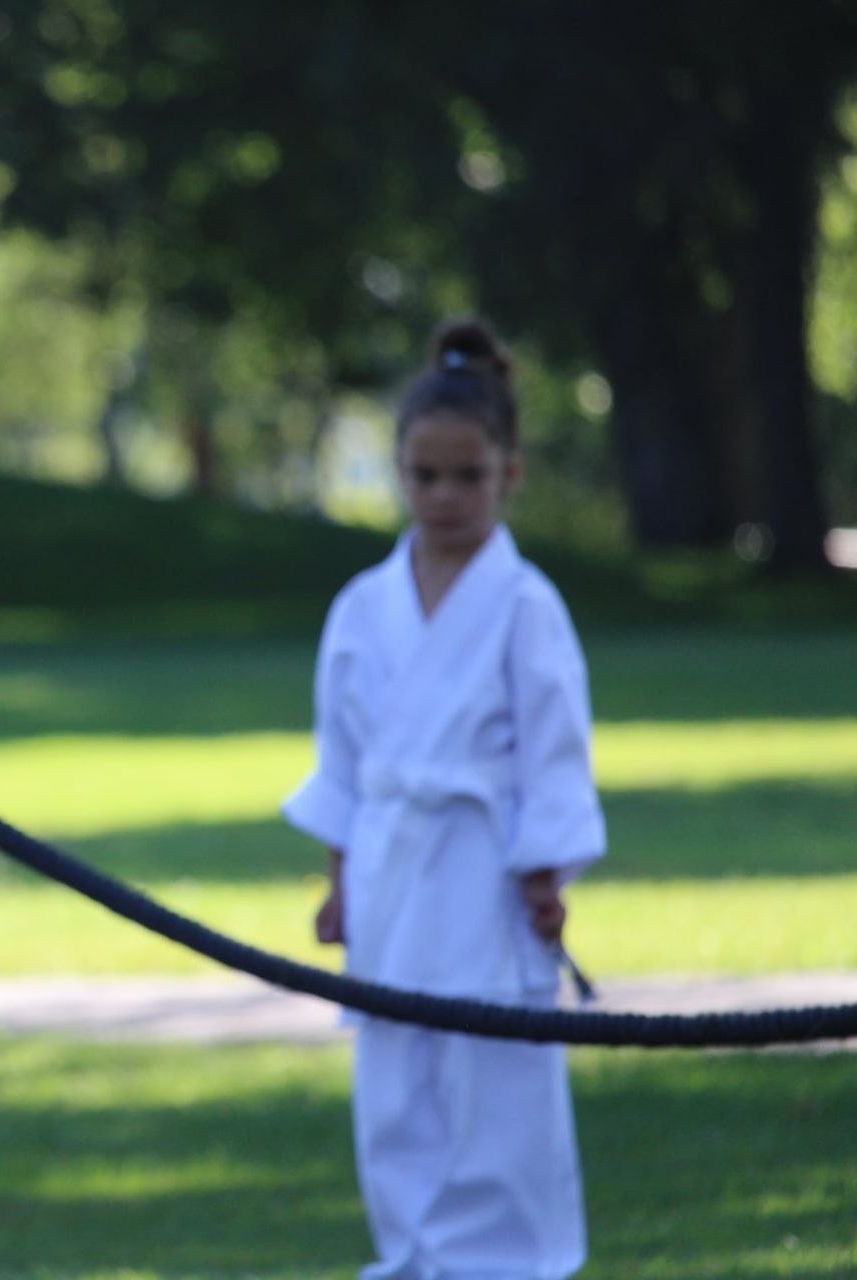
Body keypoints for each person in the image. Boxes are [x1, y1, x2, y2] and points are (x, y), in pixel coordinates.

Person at [283, 319, 606, 1280]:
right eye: (425, 476)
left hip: (484, 874)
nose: (445, 497)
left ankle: (507, 1265)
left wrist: (545, 872)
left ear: (509, 474)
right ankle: (413, 1261)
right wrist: (340, 881)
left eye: (468, 476)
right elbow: (343, 760)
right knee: (397, 1095)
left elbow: (555, 753)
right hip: (390, 872)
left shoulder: (524, 604)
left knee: (494, 1091)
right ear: (398, 473)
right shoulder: (360, 606)